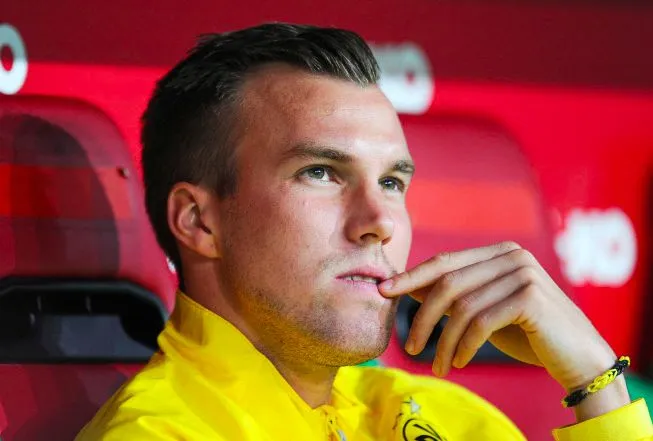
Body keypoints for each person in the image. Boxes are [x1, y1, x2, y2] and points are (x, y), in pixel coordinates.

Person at [75, 23, 653, 440]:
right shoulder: (160, 431)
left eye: (393, 182)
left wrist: (595, 381)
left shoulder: (454, 418)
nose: (379, 222)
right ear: (199, 221)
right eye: (321, 173)